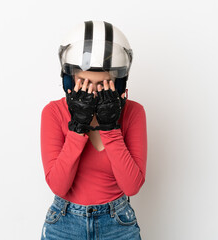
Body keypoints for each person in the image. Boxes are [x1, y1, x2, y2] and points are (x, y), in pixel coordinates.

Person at [40, 20, 147, 240]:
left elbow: (132, 185)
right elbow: (59, 186)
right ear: (70, 79)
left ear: (117, 83)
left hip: (118, 223)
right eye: (84, 81)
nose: (94, 92)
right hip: (64, 223)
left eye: (103, 84)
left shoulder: (134, 113)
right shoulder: (53, 112)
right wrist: (78, 128)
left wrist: (110, 128)